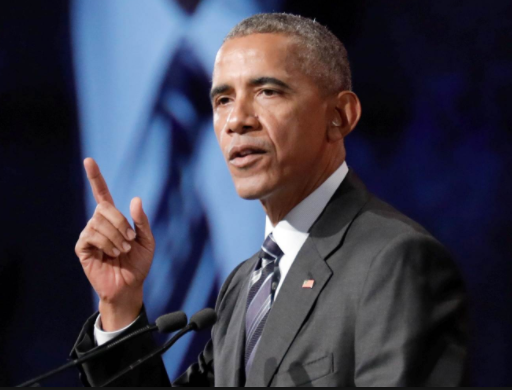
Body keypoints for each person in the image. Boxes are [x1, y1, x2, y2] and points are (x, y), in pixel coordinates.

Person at [72, 13, 468, 387]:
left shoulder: (396, 262)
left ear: (340, 116)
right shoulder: (244, 285)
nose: (236, 120)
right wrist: (121, 306)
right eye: (222, 100)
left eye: (267, 91)